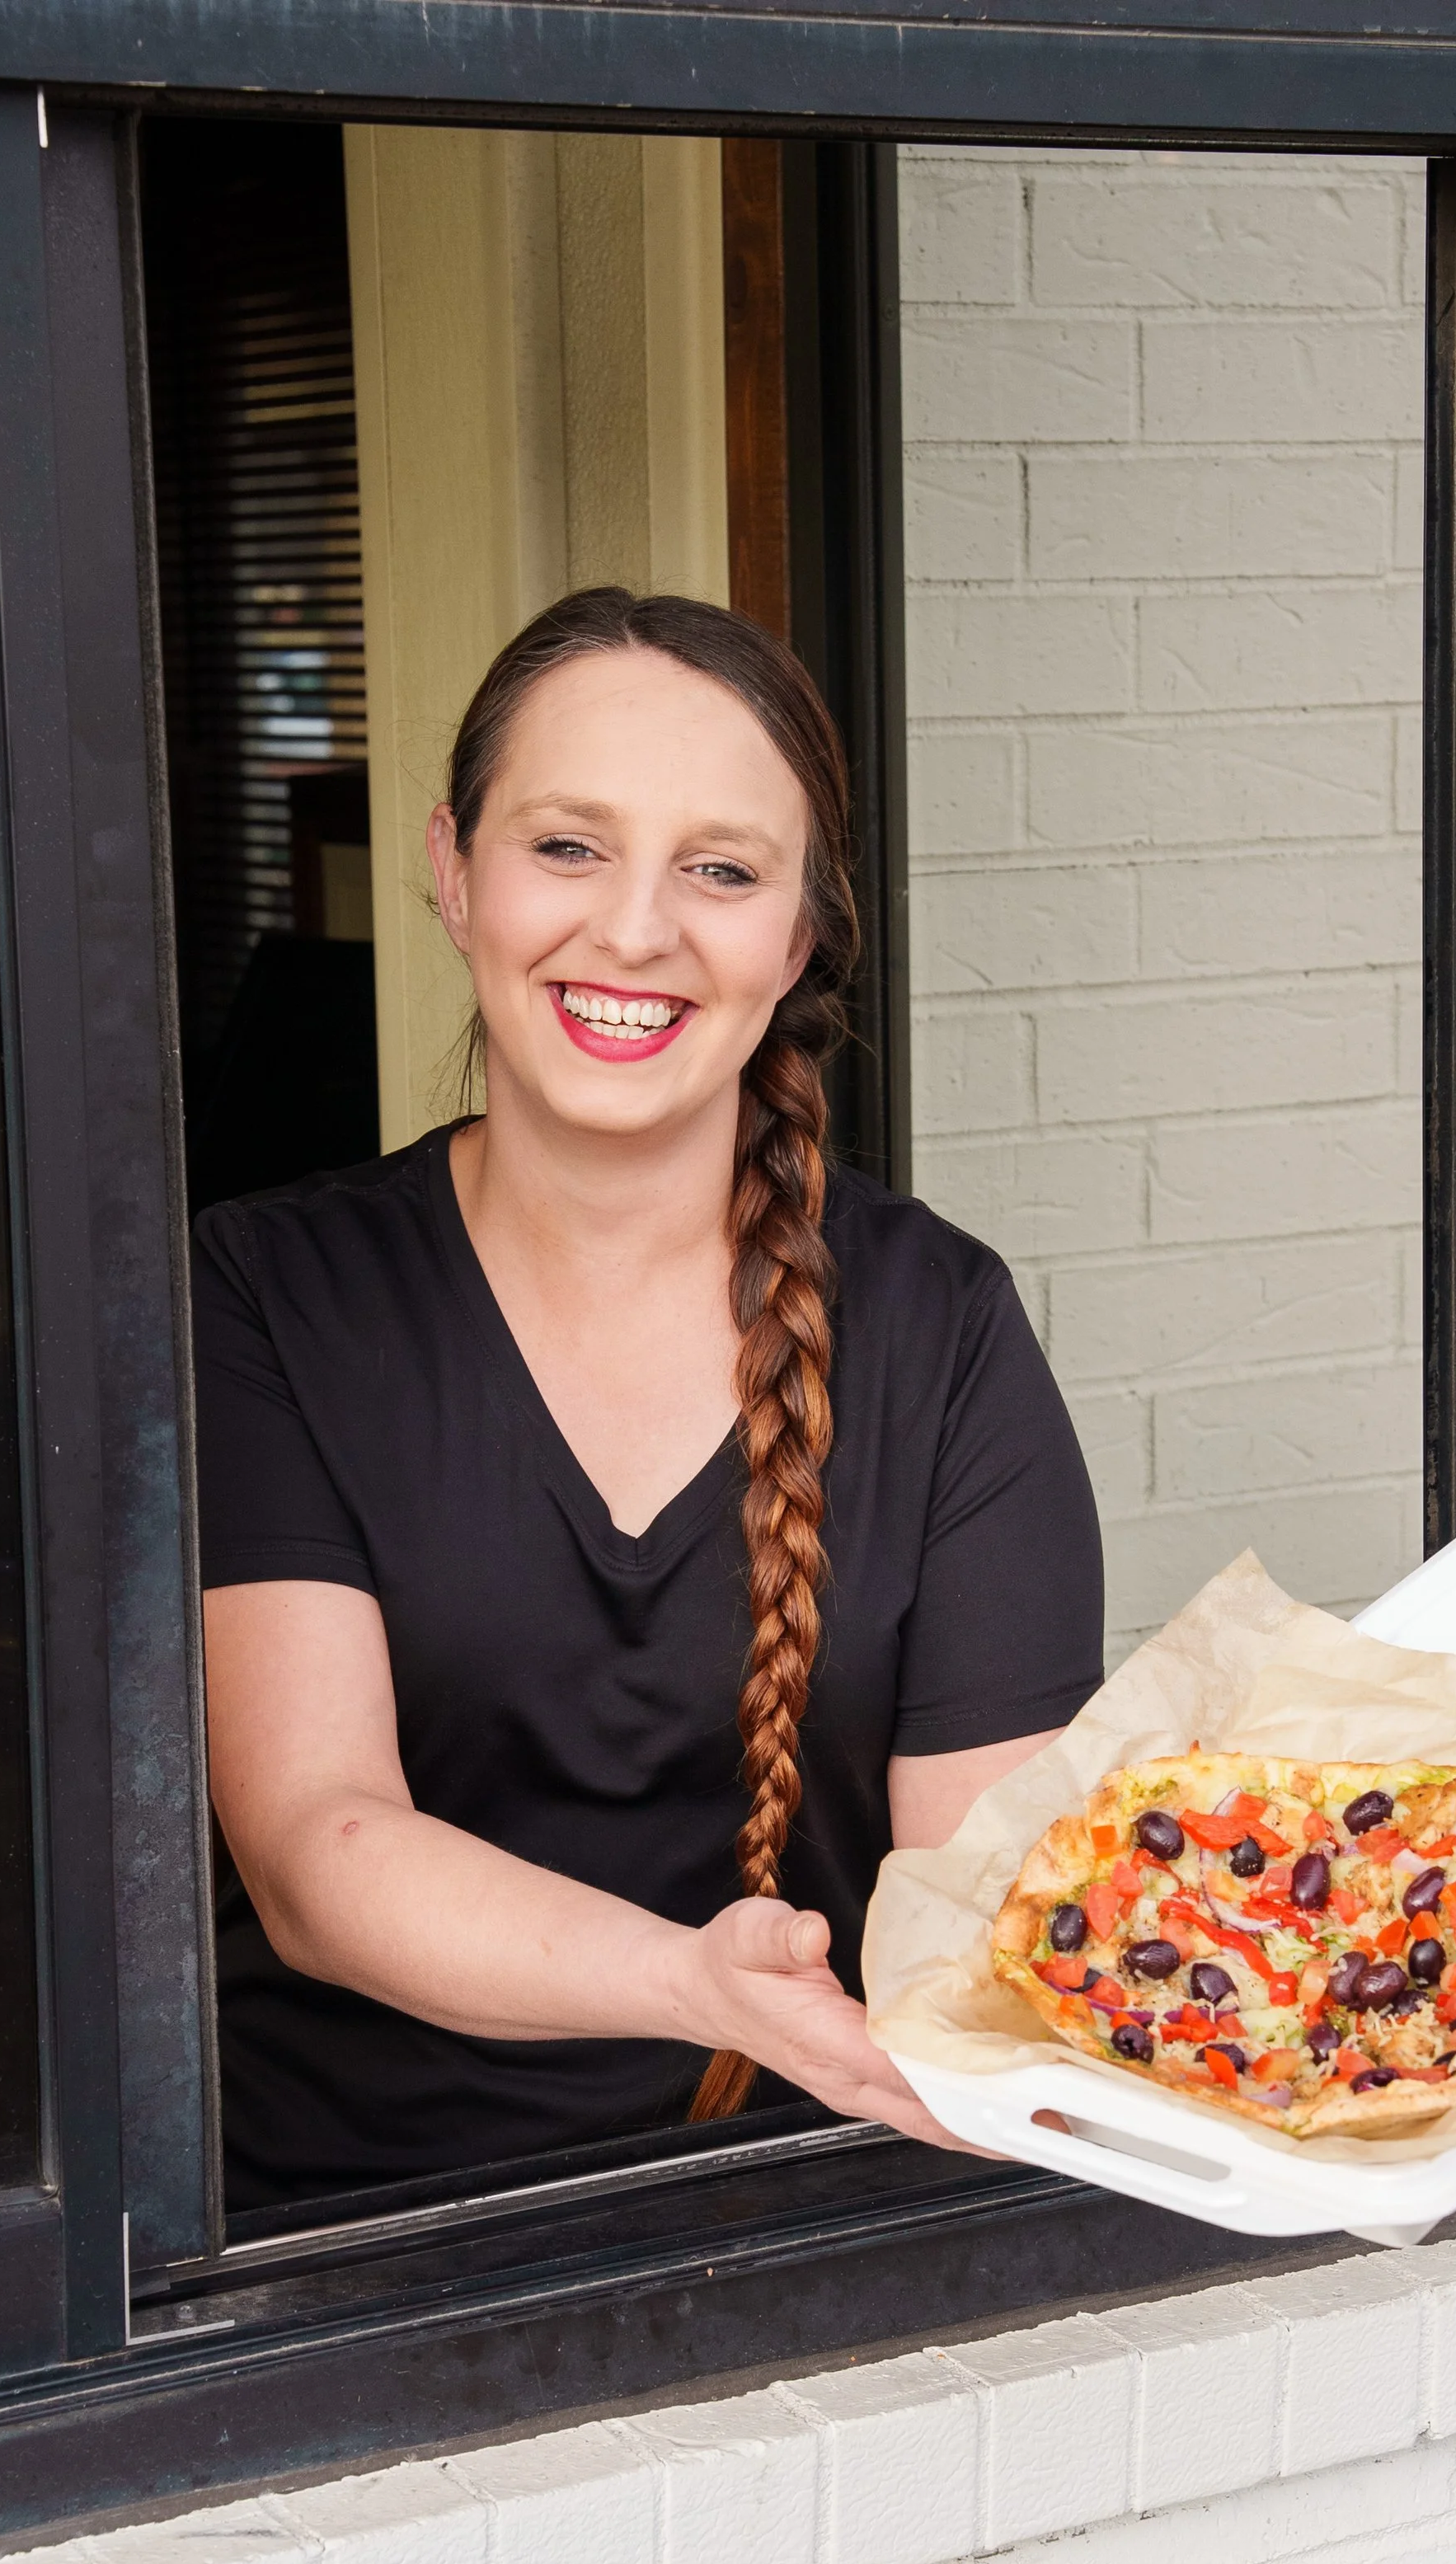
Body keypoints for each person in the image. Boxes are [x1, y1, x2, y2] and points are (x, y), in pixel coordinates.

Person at [194, 588, 1105, 2210]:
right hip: (329, 2250)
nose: (631, 931)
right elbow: (315, 1847)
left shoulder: (938, 1326)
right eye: (566, 846)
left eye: (719, 869)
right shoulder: (267, 1297)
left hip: (806, 2218)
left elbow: (985, 1900)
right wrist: (689, 1981)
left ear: (799, 935)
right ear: (450, 868)